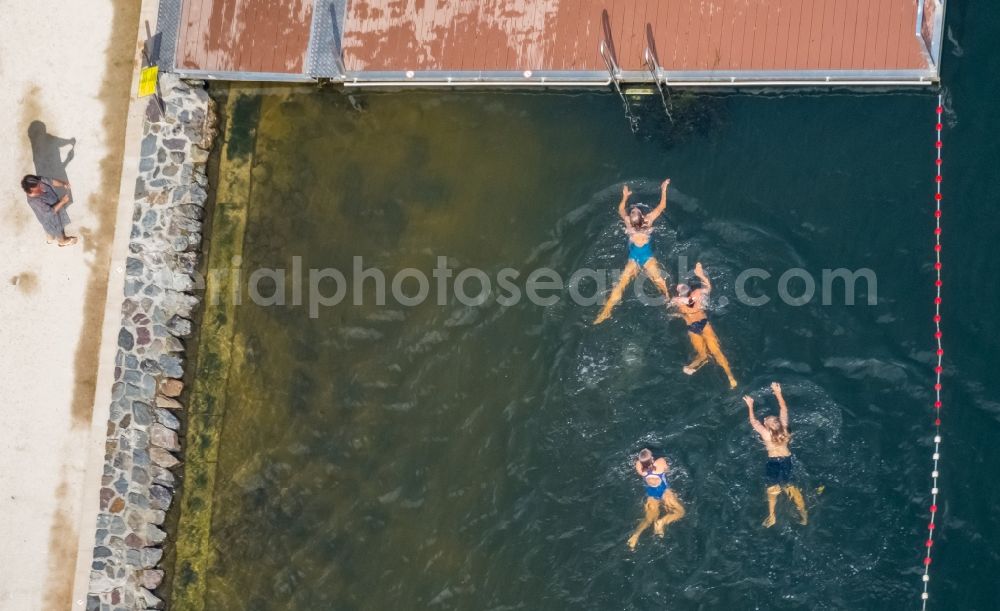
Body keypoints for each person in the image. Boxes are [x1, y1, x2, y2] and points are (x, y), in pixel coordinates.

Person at [593, 180, 672, 324]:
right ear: (642, 217)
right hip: (647, 258)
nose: (634, 209)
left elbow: (621, 210)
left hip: (634, 258)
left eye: (633, 211)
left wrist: (624, 196)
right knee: (660, 281)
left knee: (620, 286)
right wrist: (664, 189)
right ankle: (669, 301)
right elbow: (662, 207)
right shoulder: (648, 221)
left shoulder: (629, 223)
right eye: (635, 211)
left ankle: (605, 312)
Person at [744, 382, 808, 527]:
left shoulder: (766, 435)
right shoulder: (785, 430)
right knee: (791, 487)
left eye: (766, 420)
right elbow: (783, 408)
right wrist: (778, 392)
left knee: (772, 489)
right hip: (787, 460)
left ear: (767, 427)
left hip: (773, 462)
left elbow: (753, 422)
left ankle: (772, 515)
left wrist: (750, 405)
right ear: (778, 423)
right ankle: (804, 513)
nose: (765, 418)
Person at [670, 262, 737, 388]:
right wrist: (701, 276)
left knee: (702, 354)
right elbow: (708, 287)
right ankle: (730, 377)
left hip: (692, 327)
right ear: (690, 290)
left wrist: (678, 314)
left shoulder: (677, 301)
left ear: (679, 293)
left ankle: (693, 365)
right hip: (703, 323)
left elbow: (678, 305)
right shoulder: (698, 293)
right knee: (717, 352)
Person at [627, 448, 685, 550]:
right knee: (680, 512)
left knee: (648, 519)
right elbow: (668, 470)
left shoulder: (639, 468)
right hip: (664, 492)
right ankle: (662, 522)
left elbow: (641, 465)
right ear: (652, 459)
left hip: (651, 494)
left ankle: (635, 535)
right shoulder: (660, 462)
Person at [21, 174, 77, 246]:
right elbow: (49, 213)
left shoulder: (37, 181)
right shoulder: (34, 201)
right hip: (50, 217)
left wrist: (63, 183)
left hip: (54, 211)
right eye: (38, 187)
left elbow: (51, 182)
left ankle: (50, 238)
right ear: (32, 190)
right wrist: (62, 201)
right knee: (57, 228)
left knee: (49, 229)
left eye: (40, 184)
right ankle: (62, 241)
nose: (42, 186)